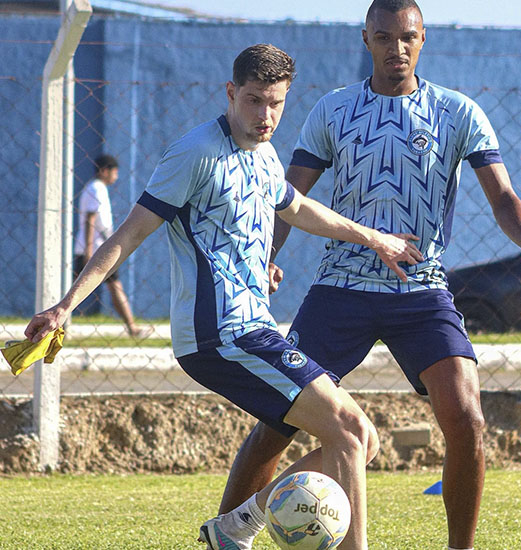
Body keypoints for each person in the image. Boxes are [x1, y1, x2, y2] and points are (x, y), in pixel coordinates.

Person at [24, 43, 424, 550]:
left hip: (253, 328)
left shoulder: (266, 154)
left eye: (276, 103)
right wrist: (65, 306)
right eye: (254, 100)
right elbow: (131, 232)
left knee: (362, 439)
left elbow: (297, 208)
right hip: (218, 335)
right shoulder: (194, 153)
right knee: (346, 429)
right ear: (231, 93)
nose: (265, 116)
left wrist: (372, 238)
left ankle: (236, 526)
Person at [217, 3, 521, 550]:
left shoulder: (457, 112)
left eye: (407, 37)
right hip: (340, 289)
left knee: (467, 420)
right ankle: (227, 535)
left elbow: (502, 196)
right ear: (366, 39)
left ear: (423, 39)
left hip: (421, 291)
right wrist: (265, 256)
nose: (396, 48)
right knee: (278, 420)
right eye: (383, 38)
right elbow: (289, 196)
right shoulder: (334, 110)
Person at [74, 154, 148, 337]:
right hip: (95, 249)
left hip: (98, 247)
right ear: (103, 171)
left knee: (111, 286)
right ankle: (131, 327)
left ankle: (131, 326)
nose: (116, 176)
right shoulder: (96, 188)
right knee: (88, 288)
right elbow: (90, 218)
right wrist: (89, 250)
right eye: (114, 172)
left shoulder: (97, 188)